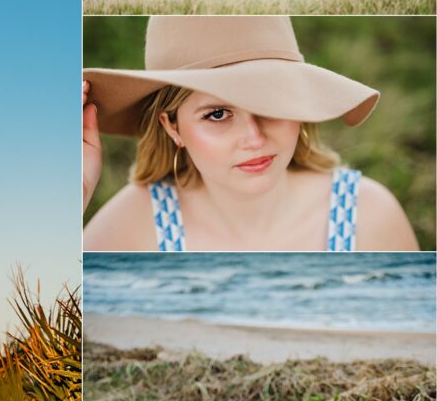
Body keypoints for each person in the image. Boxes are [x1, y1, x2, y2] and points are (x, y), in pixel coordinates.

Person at [82, 15, 419, 252]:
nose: (254, 138)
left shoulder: (369, 215)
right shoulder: (132, 225)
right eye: (217, 114)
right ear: (172, 126)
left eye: (270, 103)